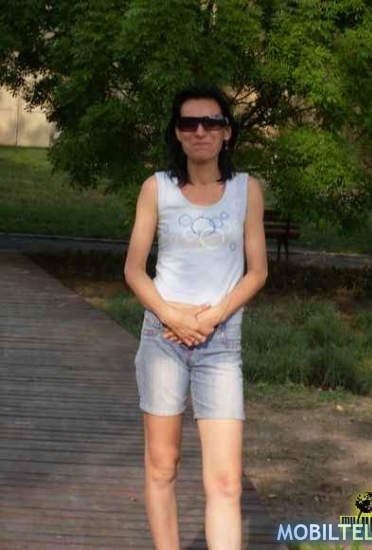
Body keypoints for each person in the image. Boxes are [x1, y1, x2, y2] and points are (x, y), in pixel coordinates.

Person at [124, 84, 268, 550]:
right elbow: (133, 269)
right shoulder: (157, 189)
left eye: (211, 122)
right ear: (177, 132)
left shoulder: (246, 191)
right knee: (162, 466)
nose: (200, 131)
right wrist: (172, 315)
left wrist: (213, 316)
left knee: (225, 481)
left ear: (227, 132)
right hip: (163, 340)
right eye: (189, 123)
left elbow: (257, 271)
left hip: (220, 344)